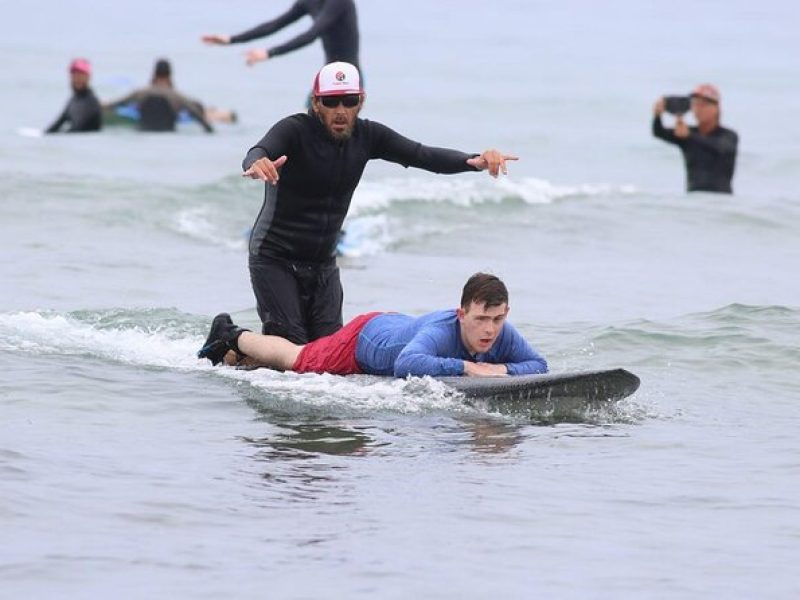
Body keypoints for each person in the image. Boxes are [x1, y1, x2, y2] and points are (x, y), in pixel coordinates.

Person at [240, 61, 518, 345]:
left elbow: (421, 155)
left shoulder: (369, 136)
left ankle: (239, 353)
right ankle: (231, 338)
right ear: (316, 103)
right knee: (292, 349)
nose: (340, 111)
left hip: (322, 264)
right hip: (275, 258)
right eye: (331, 101)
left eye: (348, 101)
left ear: (360, 102)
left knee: (327, 357)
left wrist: (473, 161)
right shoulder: (294, 130)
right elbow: (260, 150)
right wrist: (257, 162)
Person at [198, 273, 549, 379]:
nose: (490, 329)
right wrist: (469, 367)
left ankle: (239, 360)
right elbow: (406, 364)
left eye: (498, 319)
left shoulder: (503, 332)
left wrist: (500, 370)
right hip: (364, 341)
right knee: (299, 360)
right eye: (481, 320)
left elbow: (539, 366)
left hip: (395, 326)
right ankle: (232, 335)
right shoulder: (442, 332)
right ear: (461, 314)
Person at [202, 0, 359, 70]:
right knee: (309, 126)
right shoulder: (309, 2)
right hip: (327, 73)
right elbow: (274, 25)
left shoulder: (340, 2)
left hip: (350, 76)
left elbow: (311, 34)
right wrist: (231, 39)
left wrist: (270, 52)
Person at [103, 59, 234, 133]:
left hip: (143, 131)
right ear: (170, 75)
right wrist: (210, 130)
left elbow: (116, 104)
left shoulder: (141, 93)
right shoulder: (176, 96)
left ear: (154, 74)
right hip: (168, 131)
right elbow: (197, 115)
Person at [652, 84, 738, 194]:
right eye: (695, 104)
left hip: (721, 200)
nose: (698, 109)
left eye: (703, 105)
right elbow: (658, 132)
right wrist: (657, 116)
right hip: (693, 200)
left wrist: (689, 136)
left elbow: (721, 147)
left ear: (716, 108)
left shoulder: (729, 135)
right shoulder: (687, 134)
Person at [45, 58, 102, 134]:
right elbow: (57, 125)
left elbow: (78, 129)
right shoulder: (73, 100)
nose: (77, 79)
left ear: (88, 77)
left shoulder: (91, 102)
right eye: (74, 75)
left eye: (80, 75)